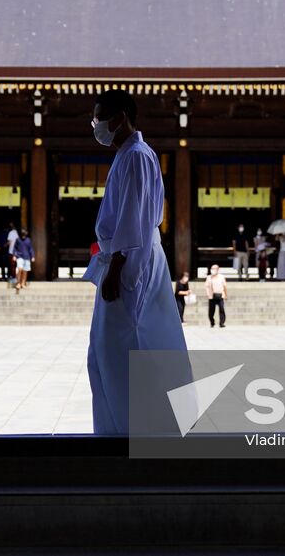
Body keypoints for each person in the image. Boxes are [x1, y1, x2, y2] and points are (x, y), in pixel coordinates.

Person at [82, 88, 190, 435]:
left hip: (131, 261)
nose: (96, 126)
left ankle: (135, 430)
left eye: (99, 118)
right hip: (126, 257)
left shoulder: (137, 156)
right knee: (106, 349)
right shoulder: (128, 154)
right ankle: (120, 429)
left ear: (119, 118)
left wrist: (118, 269)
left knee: (123, 346)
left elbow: (134, 218)